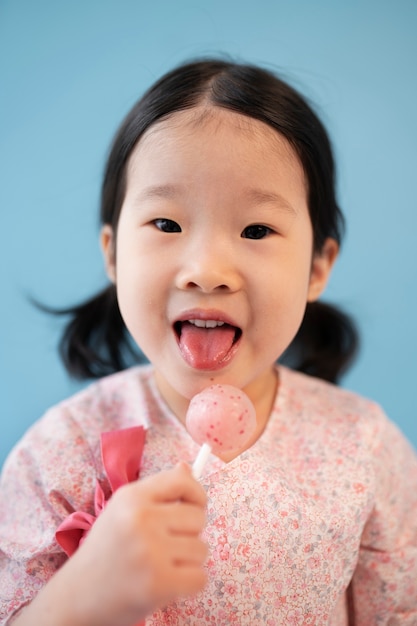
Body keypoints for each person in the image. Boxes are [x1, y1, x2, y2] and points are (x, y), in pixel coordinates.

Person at [1, 58, 416, 626]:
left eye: (256, 230)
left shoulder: (364, 446)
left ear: (318, 267)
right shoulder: (59, 452)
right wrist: (79, 597)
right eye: (167, 225)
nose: (207, 270)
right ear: (112, 253)